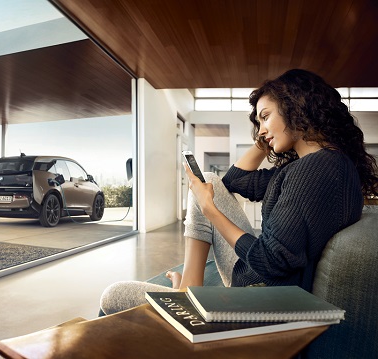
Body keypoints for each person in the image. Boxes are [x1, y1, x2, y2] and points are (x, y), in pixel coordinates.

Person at [99, 69, 378, 316]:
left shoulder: (316, 170)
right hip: (265, 286)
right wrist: (264, 138)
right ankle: (188, 288)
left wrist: (211, 210)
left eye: (266, 116)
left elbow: (270, 262)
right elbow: (234, 180)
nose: (262, 129)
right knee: (207, 180)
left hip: (258, 297)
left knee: (113, 294)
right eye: (259, 122)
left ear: (296, 107)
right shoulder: (319, 166)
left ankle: (187, 291)